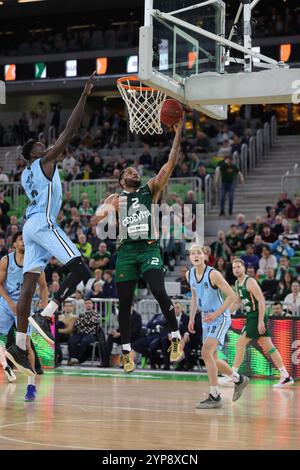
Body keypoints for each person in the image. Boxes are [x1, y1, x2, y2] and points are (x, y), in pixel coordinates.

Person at [5, 73, 96, 375]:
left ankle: (18, 345)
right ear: (34, 153)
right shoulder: (43, 163)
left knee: (28, 288)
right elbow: (69, 131)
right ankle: (47, 314)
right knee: (81, 268)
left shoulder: (25, 174)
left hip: (31, 225)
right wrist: (84, 95)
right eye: (41, 145)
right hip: (42, 223)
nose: (47, 147)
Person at [92, 119, 185, 373]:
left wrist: (177, 134)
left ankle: (176, 338)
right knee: (124, 302)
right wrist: (103, 213)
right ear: (122, 181)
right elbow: (96, 220)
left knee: (158, 289)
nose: (135, 172)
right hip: (126, 251)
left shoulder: (150, 189)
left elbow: (170, 163)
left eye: (135, 171)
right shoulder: (116, 198)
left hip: (148, 248)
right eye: (129, 172)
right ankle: (126, 352)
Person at [186, 244, 248, 409]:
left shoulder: (213, 274)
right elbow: (194, 296)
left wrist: (216, 313)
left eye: (198, 253)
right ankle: (238, 379)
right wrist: (191, 318)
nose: (195, 256)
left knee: (206, 352)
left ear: (205, 256)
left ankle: (215, 396)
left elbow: (232, 296)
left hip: (220, 316)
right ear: (189, 257)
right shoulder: (189, 274)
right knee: (211, 357)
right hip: (205, 317)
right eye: (192, 254)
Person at [0, 232, 48, 400]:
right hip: (7, 303)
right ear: (14, 244)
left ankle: (31, 385)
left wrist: (44, 309)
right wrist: (10, 303)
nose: (24, 242)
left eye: (26, 240)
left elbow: (43, 286)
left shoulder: (35, 262)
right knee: (0, 338)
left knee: (26, 344)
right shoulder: (6, 260)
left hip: (25, 305)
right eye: (20, 239)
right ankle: (6, 365)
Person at [231, 258, 294, 387]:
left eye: (238, 267)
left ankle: (234, 375)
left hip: (256, 316)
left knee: (240, 343)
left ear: (244, 268)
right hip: (251, 316)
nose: (236, 269)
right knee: (269, 346)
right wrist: (225, 313)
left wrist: (260, 321)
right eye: (234, 267)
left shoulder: (250, 281)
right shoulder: (237, 283)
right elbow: (237, 302)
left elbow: (261, 301)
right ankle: (285, 375)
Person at [68, 299, 99, 365]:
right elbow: (77, 324)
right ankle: (71, 358)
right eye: (86, 303)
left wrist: (82, 321)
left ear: (92, 305)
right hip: (80, 333)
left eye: (89, 303)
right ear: (84, 305)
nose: (88, 305)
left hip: (91, 334)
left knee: (84, 341)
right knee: (71, 340)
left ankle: (77, 359)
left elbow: (92, 322)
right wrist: (87, 321)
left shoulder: (96, 314)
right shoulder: (81, 314)